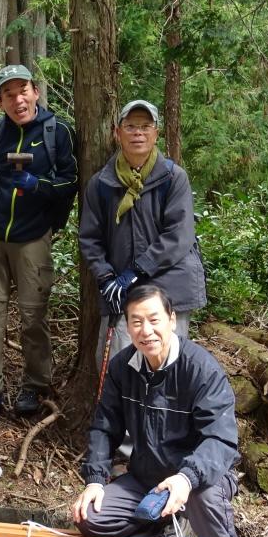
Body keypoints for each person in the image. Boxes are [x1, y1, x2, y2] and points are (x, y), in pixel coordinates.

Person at [72, 284, 260, 537]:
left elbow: (221, 439)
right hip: (148, 478)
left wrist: (186, 479)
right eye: (136, 322)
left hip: (202, 477)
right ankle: (161, 522)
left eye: (154, 319)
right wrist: (94, 480)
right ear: (127, 327)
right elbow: (104, 428)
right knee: (90, 518)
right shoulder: (122, 368)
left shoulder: (200, 369)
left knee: (202, 493)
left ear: (172, 320)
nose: (146, 331)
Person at [0, 65, 78, 416]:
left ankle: (36, 386)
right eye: (9, 94)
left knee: (33, 316)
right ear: (0, 101)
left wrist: (38, 186)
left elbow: (71, 181)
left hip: (33, 237)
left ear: (35, 92)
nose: (18, 99)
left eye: (23, 90)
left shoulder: (57, 131)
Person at [79, 99, 205, 371]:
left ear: (156, 133)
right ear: (117, 132)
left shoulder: (173, 178)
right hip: (123, 288)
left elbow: (179, 235)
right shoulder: (101, 183)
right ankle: (123, 412)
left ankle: (167, 413)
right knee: (117, 361)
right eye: (131, 126)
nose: (138, 133)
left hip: (172, 284)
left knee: (168, 362)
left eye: (146, 126)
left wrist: (136, 271)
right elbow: (90, 238)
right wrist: (106, 277)